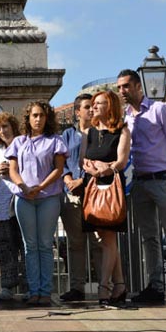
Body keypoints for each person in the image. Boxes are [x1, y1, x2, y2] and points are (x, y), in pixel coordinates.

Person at [117, 69, 166, 304]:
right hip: (139, 182)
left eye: (125, 86)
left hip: (162, 179)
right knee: (149, 238)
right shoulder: (125, 118)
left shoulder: (159, 110)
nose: (122, 91)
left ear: (138, 86)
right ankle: (155, 287)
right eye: (119, 88)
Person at [6, 100, 68, 307]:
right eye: (35, 115)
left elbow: (58, 169)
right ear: (28, 118)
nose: (38, 119)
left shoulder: (55, 141)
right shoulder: (18, 142)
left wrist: (40, 187)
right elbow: (13, 169)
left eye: (42, 115)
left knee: (44, 245)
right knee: (29, 246)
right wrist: (23, 187)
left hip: (48, 197)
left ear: (47, 118)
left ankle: (45, 291)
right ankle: (33, 291)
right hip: (24, 198)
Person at [82, 91, 131, 305]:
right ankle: (119, 285)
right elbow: (83, 159)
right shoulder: (90, 132)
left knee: (108, 239)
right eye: (93, 104)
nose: (93, 107)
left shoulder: (122, 130)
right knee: (105, 239)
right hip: (92, 186)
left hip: (111, 186)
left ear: (109, 106)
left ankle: (104, 287)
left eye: (99, 103)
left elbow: (121, 161)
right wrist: (92, 168)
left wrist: (106, 169)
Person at [59, 94, 102, 303]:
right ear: (77, 112)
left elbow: (102, 160)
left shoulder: (100, 133)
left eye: (93, 106)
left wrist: (83, 181)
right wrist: (68, 179)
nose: (91, 110)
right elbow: (61, 160)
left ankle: (105, 286)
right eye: (87, 107)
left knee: (98, 242)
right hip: (71, 195)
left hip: (94, 193)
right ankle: (77, 287)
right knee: (75, 243)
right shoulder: (67, 134)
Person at [0, 112, 26, 301]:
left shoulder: (25, 146)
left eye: (5, 126)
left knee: (25, 246)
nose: (2, 131)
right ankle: (7, 286)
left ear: (13, 127)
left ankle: (29, 287)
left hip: (22, 201)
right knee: (5, 247)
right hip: (2, 206)